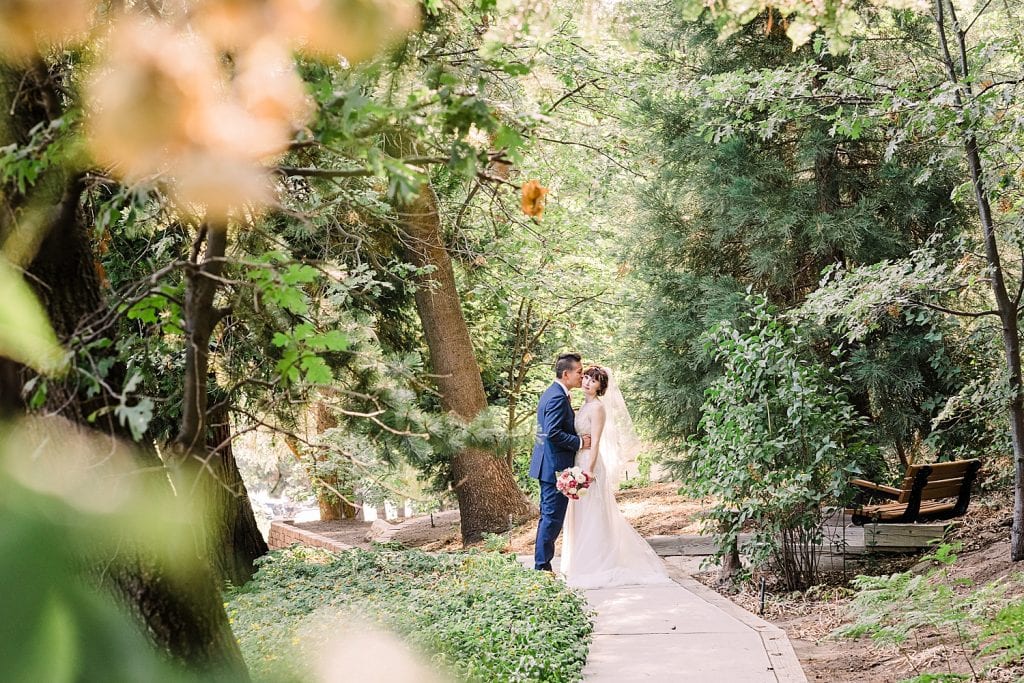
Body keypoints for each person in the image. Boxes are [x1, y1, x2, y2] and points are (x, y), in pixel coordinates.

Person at [561, 365, 670, 589]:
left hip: (589, 465)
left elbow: (596, 442)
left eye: (594, 380)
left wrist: (587, 472)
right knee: (581, 515)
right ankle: (580, 563)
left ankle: (598, 564)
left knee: (593, 513)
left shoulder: (598, 409)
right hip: (577, 461)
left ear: (601, 386)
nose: (588, 382)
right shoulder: (583, 406)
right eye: (587, 378)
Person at [529, 353, 591, 571]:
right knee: (552, 519)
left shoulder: (555, 393)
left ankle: (542, 566)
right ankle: (542, 569)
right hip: (554, 467)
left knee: (549, 517)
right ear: (566, 374)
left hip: (549, 464)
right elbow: (553, 433)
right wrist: (579, 442)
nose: (582, 376)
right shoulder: (556, 396)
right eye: (579, 372)